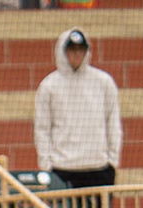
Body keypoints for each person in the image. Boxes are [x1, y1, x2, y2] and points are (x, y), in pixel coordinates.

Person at [34, 29, 120, 190]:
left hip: (98, 168)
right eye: (72, 50)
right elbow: (42, 128)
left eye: (81, 50)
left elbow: (113, 123)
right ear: (63, 51)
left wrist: (112, 161)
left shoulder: (104, 82)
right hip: (62, 170)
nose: (77, 54)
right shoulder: (48, 86)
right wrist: (46, 165)